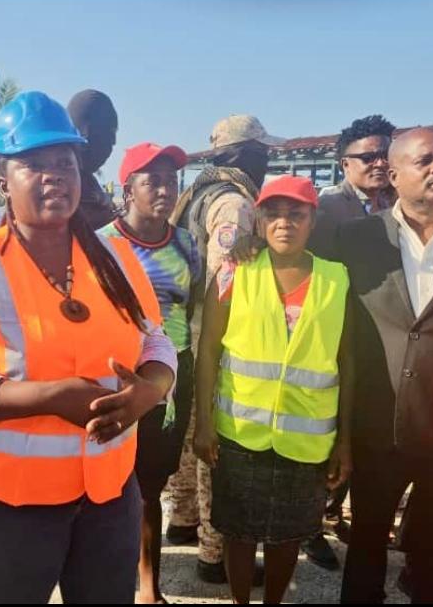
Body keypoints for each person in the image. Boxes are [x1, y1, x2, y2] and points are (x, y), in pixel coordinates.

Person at [0, 91, 178, 603]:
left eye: (65, 162)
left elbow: (156, 339)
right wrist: (55, 397)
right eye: (34, 164)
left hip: (108, 496)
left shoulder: (117, 258)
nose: (54, 175)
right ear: (1, 176)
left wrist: (151, 389)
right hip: (11, 509)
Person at [195, 175, 353, 604]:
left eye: (296, 213)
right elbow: (208, 350)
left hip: (306, 440)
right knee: (238, 530)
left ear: (312, 219)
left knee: (288, 536)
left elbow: (346, 362)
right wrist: (204, 424)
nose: (285, 223)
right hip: (239, 432)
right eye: (274, 213)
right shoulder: (233, 271)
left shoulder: (336, 279)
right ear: (259, 219)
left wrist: (345, 440)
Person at [337, 128, 433, 604]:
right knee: (366, 551)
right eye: (426, 161)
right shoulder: (356, 241)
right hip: (377, 429)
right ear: (393, 175)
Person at [167, 114, 284, 583]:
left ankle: (182, 520)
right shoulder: (234, 204)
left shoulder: (196, 190)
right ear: (240, 155)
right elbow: (224, 279)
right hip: (211, 337)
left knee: (189, 435)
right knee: (213, 446)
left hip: (184, 334)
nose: (268, 159)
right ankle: (214, 555)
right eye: (263, 151)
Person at [99, 142, 200, 604]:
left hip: (172, 379)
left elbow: (192, 306)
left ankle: (147, 586)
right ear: (128, 190)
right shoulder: (101, 244)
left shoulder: (187, 244)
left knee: (150, 484)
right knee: (111, 479)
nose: (164, 189)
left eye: (171, 180)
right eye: (152, 181)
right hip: (116, 374)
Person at [307, 115, 397, 260]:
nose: (380, 164)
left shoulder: (391, 206)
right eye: (368, 158)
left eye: (386, 156)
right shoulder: (327, 208)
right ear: (345, 164)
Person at [67, 89, 120, 229]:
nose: (114, 142)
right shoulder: (66, 183)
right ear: (86, 131)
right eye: (110, 132)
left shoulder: (86, 179)